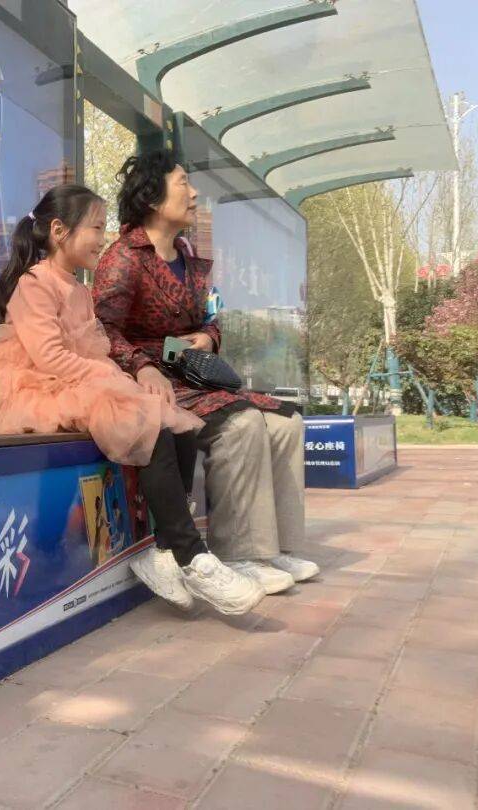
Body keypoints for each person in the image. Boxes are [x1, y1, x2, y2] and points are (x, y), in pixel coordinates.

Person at [0, 184, 264, 615]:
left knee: (178, 424)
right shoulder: (34, 284)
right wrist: (110, 377)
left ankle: (165, 552)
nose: (102, 237)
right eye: (95, 228)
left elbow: (94, 349)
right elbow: (50, 357)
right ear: (59, 231)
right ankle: (193, 557)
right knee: (147, 425)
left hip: (81, 380)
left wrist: (119, 375)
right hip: (46, 386)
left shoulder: (78, 287)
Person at [92, 151, 320, 594]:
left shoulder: (188, 255)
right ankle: (238, 553)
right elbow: (101, 329)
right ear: (153, 197)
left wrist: (209, 338)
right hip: (153, 384)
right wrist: (141, 365)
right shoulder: (124, 256)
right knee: (242, 424)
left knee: (287, 424)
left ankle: (275, 548)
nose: (194, 194)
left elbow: (211, 319)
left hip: (195, 378)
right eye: (183, 183)